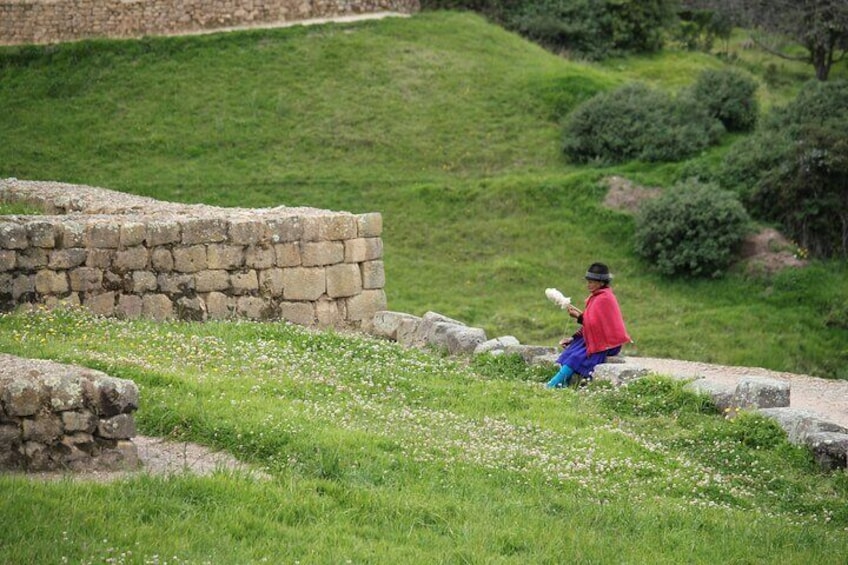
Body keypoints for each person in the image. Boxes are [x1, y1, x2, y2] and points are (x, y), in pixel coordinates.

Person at [546, 262, 631, 388]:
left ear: (601, 283)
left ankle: (554, 384)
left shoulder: (604, 299)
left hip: (609, 343)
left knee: (577, 355)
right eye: (588, 282)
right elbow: (592, 325)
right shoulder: (596, 297)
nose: (588, 285)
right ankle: (563, 382)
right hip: (600, 338)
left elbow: (594, 325)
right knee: (572, 350)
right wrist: (574, 338)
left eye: (591, 282)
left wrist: (578, 317)